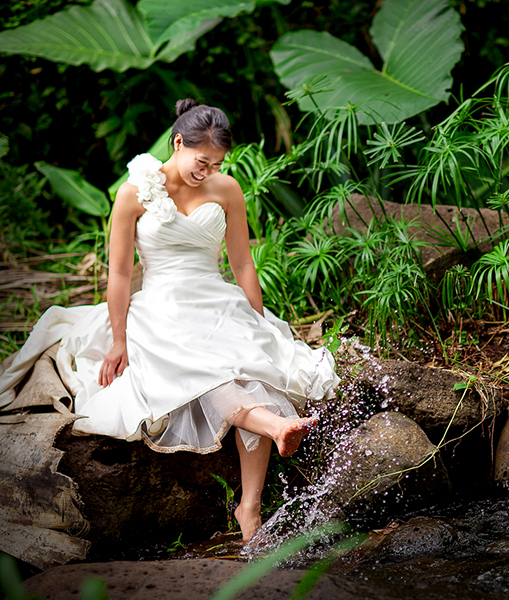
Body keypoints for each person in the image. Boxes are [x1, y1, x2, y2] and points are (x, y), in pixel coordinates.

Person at [0, 99, 340, 542]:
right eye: (202, 161)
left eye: (217, 163)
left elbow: (242, 264)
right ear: (178, 142)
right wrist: (119, 341)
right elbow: (120, 273)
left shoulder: (227, 189)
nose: (208, 171)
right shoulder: (133, 192)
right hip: (160, 306)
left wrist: (260, 322)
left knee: (255, 367)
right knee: (204, 367)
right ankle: (276, 427)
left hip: (216, 299)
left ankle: (249, 509)